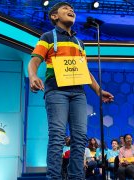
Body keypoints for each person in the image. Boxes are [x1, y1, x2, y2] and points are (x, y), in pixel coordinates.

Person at [28, 2, 114, 179]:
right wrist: (33, 75)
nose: (71, 10)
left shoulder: (79, 43)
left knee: (80, 137)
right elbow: (35, 60)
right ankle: (54, 177)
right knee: (58, 135)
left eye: (72, 9)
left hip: (78, 94)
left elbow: (85, 71)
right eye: (65, 9)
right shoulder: (48, 36)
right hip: (56, 91)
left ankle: (77, 177)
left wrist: (99, 91)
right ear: (54, 16)